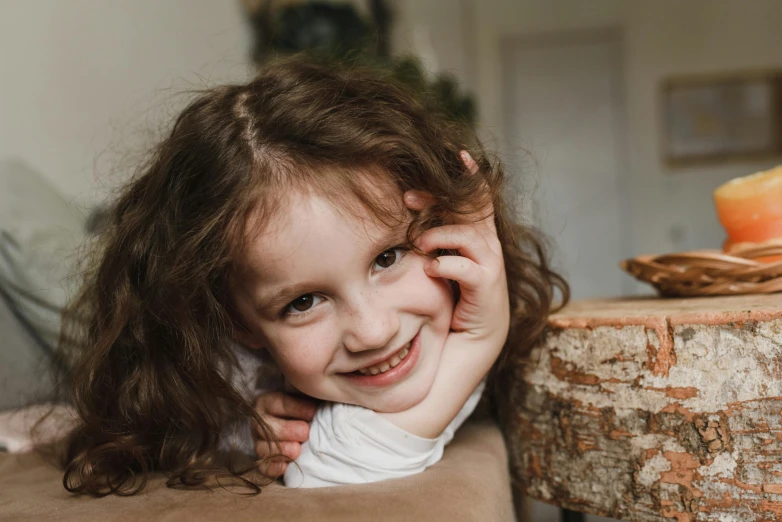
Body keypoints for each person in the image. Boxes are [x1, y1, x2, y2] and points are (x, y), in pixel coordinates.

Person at [46, 56, 568, 496]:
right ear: (237, 324)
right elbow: (325, 466)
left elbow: (349, 451)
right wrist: (240, 428)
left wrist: (481, 333)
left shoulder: (462, 308)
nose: (373, 331)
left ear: (447, 223)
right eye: (303, 302)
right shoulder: (201, 363)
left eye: (387, 258)